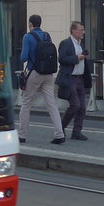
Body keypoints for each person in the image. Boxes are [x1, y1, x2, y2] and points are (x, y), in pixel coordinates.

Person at [17, 14, 65, 145]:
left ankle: (22, 135)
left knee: (26, 103)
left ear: (30, 24)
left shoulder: (27, 36)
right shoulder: (47, 35)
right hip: (48, 74)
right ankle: (59, 134)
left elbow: (23, 58)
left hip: (34, 72)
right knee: (51, 104)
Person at [57, 20, 92, 141]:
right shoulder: (66, 43)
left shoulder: (80, 44)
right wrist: (77, 58)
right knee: (75, 105)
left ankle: (77, 131)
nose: (83, 32)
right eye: (81, 30)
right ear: (73, 30)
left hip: (80, 79)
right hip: (70, 78)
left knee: (82, 107)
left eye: (83, 30)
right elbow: (62, 59)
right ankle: (60, 128)